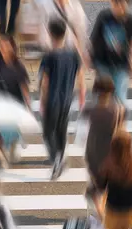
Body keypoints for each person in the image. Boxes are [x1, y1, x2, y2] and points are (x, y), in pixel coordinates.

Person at [39, 19, 85, 180]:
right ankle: (60, 156)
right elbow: (80, 77)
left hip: (52, 99)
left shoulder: (49, 56)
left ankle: (57, 159)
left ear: (51, 34)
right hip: (67, 99)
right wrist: (81, 97)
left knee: (47, 132)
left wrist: (42, 101)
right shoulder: (73, 54)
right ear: (64, 33)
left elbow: (45, 82)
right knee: (61, 130)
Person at [0, 34, 31, 163]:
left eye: (6, 45)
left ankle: (12, 144)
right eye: (1, 45)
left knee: (11, 129)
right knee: (0, 129)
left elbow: (24, 86)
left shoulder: (18, 66)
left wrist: (27, 104)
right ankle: (2, 150)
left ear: (12, 47)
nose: (3, 48)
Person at [83, 76, 124, 209]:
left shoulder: (89, 110)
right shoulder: (118, 110)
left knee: (97, 189)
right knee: (105, 187)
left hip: (94, 152)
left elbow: (84, 133)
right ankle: (102, 213)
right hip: (110, 154)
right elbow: (121, 133)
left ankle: (101, 215)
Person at [90, 0, 132, 105]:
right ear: (112, 3)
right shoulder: (103, 16)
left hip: (121, 65)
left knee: (120, 99)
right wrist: (90, 60)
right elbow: (94, 39)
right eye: (117, 5)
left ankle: (119, 120)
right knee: (102, 97)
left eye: (123, 6)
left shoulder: (129, 20)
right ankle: (102, 119)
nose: (120, 9)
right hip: (103, 64)